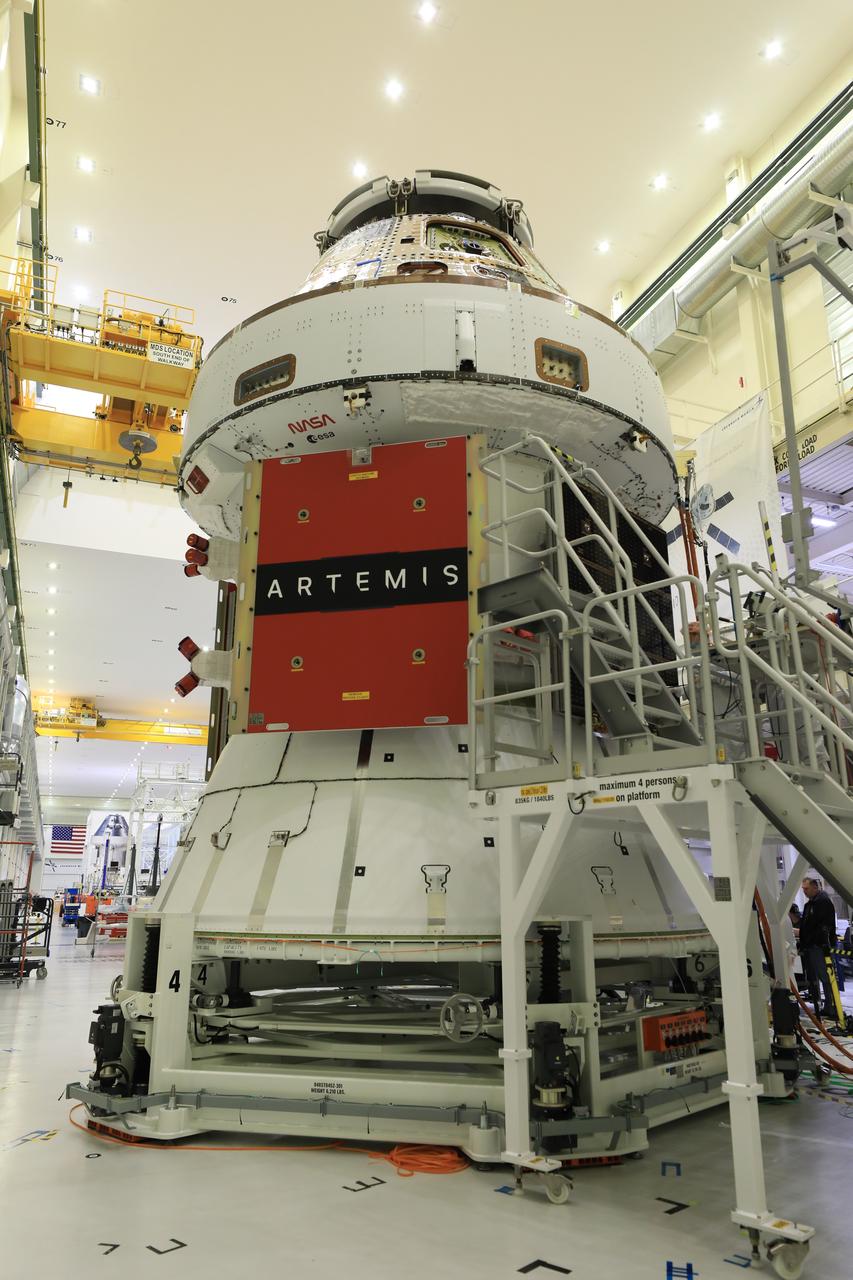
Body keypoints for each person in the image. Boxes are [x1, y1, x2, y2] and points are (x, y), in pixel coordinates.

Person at [798, 875, 837, 1017]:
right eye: (803, 889)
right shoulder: (810, 904)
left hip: (819, 946)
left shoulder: (822, 902)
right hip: (812, 946)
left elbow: (824, 926)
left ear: (815, 887)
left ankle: (831, 1006)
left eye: (806, 888)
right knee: (820, 977)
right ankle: (827, 1005)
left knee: (825, 976)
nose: (804, 891)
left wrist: (815, 941)